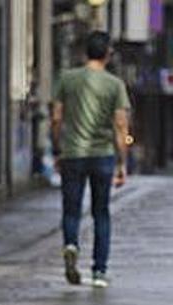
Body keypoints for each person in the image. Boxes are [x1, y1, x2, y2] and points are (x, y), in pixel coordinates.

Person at [52, 31, 131, 288]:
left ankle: (71, 243)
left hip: (73, 154)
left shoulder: (67, 79)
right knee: (101, 213)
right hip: (102, 156)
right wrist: (122, 163)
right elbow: (121, 126)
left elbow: (56, 117)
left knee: (71, 208)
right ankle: (99, 270)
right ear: (108, 54)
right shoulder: (114, 84)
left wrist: (57, 149)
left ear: (85, 52)